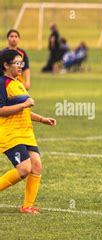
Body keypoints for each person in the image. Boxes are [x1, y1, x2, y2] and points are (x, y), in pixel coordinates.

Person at [0, 50, 57, 214]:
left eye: (21, 63)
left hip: (26, 132)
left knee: (36, 166)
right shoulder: (2, 83)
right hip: (11, 133)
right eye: (17, 63)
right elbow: (2, 110)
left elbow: (22, 111)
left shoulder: (18, 84)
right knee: (24, 169)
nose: (20, 66)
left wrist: (42, 119)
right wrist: (24, 104)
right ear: (6, 65)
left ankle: (27, 206)